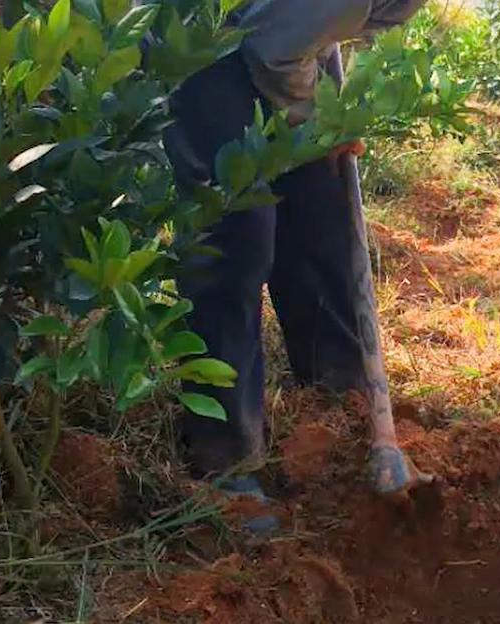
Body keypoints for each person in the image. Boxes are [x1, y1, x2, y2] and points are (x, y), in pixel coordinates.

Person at [162, 0, 431, 512]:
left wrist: (327, 114)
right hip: (207, 32)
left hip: (289, 30)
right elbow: (274, 51)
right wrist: (319, 118)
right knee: (232, 237)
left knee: (319, 207)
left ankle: (343, 403)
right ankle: (226, 459)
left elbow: (307, 31)